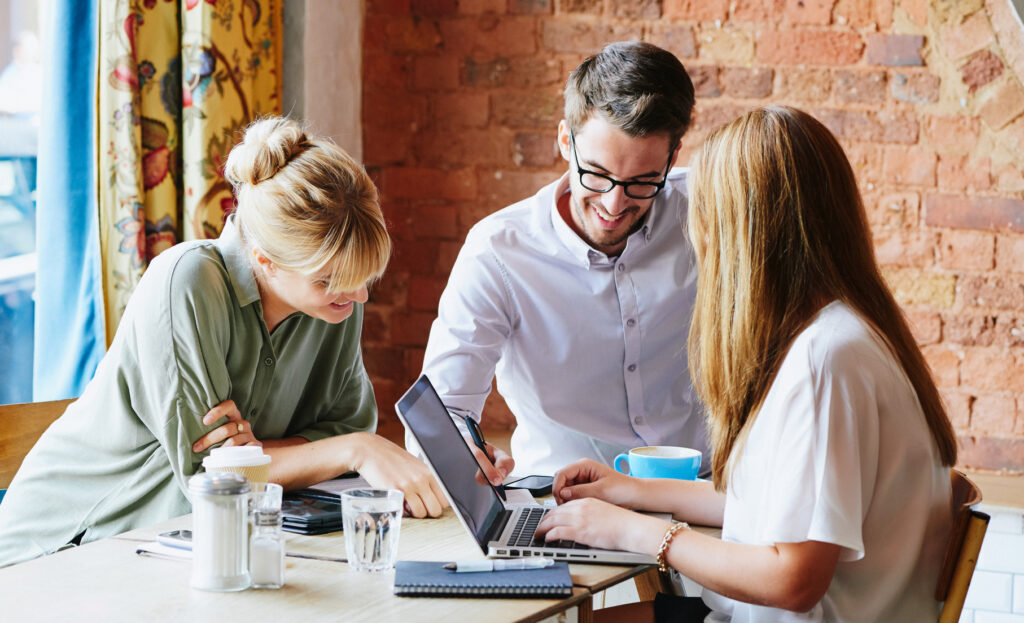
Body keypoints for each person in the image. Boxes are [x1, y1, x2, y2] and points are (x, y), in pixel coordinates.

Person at [535, 106, 958, 622]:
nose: (696, 235)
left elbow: (792, 579)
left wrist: (635, 531)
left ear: (744, 232)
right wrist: (633, 492)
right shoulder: (842, 333)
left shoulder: (826, 360)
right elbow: (772, 511)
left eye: (705, 214)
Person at [0, 117, 447, 568]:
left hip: (183, 546)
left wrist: (262, 456)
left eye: (364, 276)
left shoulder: (336, 301)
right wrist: (351, 449)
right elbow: (215, 477)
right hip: (65, 549)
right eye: (330, 279)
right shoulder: (186, 282)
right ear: (265, 260)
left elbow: (331, 433)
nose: (359, 295)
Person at [417, 41, 708, 483]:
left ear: (673, 156)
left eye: (644, 182)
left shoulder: (711, 213)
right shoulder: (498, 253)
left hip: (698, 493)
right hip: (563, 502)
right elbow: (442, 412)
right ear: (564, 141)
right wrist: (462, 453)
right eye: (597, 174)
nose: (615, 203)